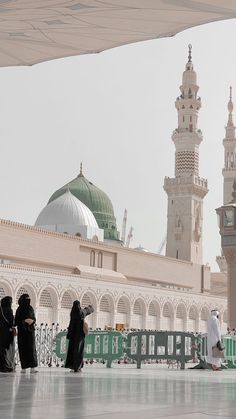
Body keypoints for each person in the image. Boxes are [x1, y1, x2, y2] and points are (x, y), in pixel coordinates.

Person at [65, 300, 94, 372]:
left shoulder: (72, 313)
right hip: (80, 336)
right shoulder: (81, 313)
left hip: (72, 335)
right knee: (79, 351)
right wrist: (90, 307)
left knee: (72, 351)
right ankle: (78, 366)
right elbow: (87, 311)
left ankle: (72, 366)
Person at [15, 293, 38, 373]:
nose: (28, 300)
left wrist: (32, 321)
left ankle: (33, 367)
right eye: (26, 299)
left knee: (31, 349)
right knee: (23, 349)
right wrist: (24, 321)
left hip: (30, 331)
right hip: (22, 332)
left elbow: (34, 318)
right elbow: (16, 321)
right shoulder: (19, 309)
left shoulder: (31, 308)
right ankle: (24, 368)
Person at [0, 296, 15, 372]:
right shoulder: (9, 310)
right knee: (8, 349)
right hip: (8, 332)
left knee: (1, 349)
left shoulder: (1, 310)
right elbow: (11, 321)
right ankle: (7, 366)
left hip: (1, 332)